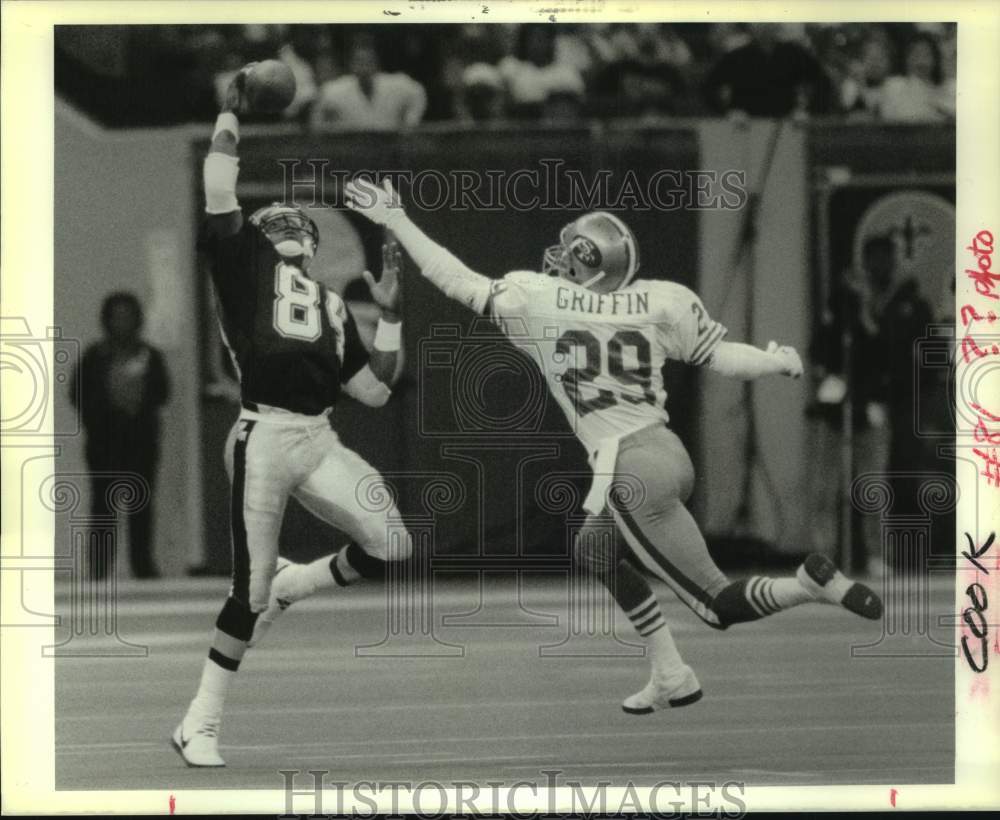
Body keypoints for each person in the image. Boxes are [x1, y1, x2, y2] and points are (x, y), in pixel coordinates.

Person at [339, 178, 883, 714]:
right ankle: (670, 671)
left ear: (584, 264)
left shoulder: (538, 298)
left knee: (716, 604)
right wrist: (777, 362)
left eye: (570, 253)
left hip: (630, 472)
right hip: (661, 453)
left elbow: (451, 277)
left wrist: (396, 219)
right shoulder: (660, 301)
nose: (557, 258)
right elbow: (722, 358)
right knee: (593, 550)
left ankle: (811, 585)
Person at [172, 66, 409, 768]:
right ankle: (200, 722)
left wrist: (392, 315)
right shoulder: (242, 260)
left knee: (392, 545)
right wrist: (230, 115)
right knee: (245, 590)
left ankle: (295, 584)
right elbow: (218, 185)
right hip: (265, 435)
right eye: (273, 219)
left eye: (288, 221)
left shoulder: (333, 307)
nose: (281, 224)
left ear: (307, 240)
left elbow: (375, 392)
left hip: (318, 439)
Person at [71, 292, 169, 580]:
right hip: (104, 443)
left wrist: (136, 405)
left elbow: (162, 393)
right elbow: (77, 393)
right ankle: (99, 568)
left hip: (141, 442)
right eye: (117, 316)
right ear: (107, 320)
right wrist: (105, 411)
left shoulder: (150, 355)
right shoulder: (95, 356)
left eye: (128, 316)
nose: (122, 322)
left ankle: (143, 565)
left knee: (141, 505)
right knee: (103, 505)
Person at [704, 23, 832, 118]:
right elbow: (707, 88)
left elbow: (823, 83)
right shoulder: (736, 56)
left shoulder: (793, 53)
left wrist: (808, 111)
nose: (764, 26)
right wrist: (728, 112)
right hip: (744, 128)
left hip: (786, 125)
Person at [309, 37, 427, 131]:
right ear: (351, 65)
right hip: (351, 149)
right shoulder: (333, 91)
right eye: (359, 62)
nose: (364, 67)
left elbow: (419, 93)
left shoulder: (398, 84)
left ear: (376, 64)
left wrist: (410, 122)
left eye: (368, 62)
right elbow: (317, 121)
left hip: (390, 148)